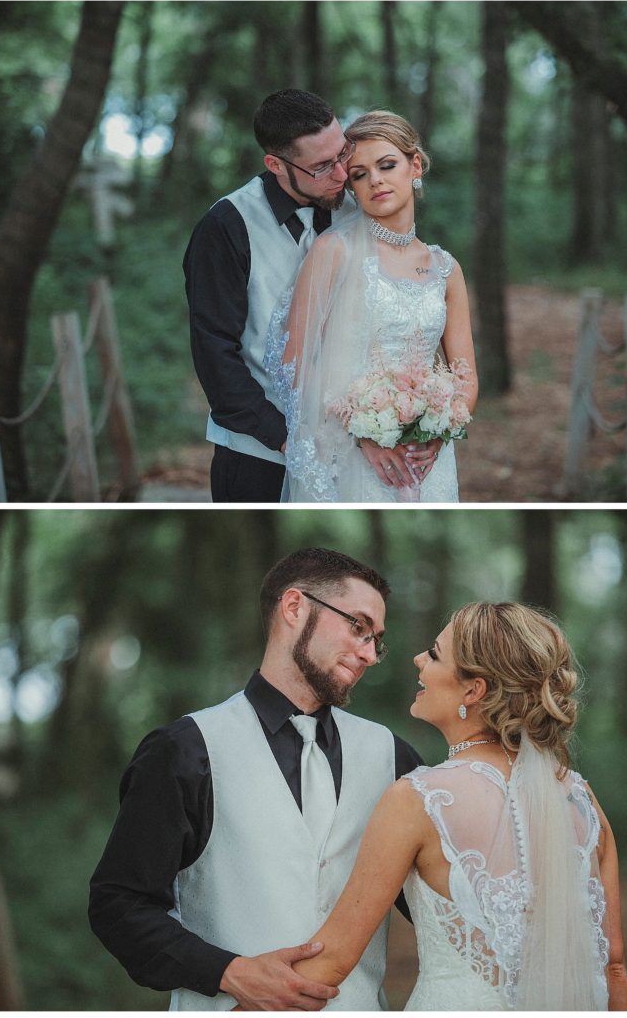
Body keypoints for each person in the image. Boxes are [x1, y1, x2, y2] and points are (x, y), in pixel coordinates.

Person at [88, 547, 422, 1010]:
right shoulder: (185, 749)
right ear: (294, 607)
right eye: (358, 626)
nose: (369, 654)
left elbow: (437, 907)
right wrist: (229, 971)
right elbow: (119, 904)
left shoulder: (393, 757)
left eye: (376, 639)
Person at [280, 602, 627, 1010]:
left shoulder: (418, 799)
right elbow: (614, 967)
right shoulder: (580, 799)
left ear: (473, 690)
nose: (418, 659)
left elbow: (333, 961)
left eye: (433, 653)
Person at [265, 111, 478, 502]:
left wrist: (437, 432)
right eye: (360, 174)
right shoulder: (334, 251)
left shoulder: (447, 270)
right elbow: (294, 365)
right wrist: (362, 436)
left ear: (415, 166)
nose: (375, 180)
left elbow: (465, 379)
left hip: (430, 462)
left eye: (387, 165)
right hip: (354, 458)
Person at [184, 89, 359, 503]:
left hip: (353, 451)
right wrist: (286, 439)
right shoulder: (226, 227)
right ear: (276, 164)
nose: (341, 174)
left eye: (343, 153)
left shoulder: (356, 209)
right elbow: (214, 351)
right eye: (321, 166)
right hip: (257, 453)